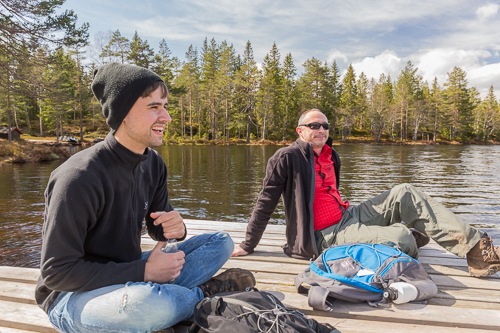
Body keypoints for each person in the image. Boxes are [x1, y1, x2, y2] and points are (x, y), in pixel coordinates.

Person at [36, 63, 255, 333]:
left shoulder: (153, 164)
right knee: (144, 306)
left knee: (221, 242)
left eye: (164, 106)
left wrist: (175, 227)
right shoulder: (77, 177)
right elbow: (56, 274)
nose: (167, 117)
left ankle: (174, 300)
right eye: (154, 107)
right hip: (71, 295)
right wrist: (145, 274)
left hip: (130, 270)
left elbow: (157, 226)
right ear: (123, 113)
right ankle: (203, 296)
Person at [232, 108, 500, 278]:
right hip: (324, 235)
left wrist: (352, 216)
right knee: (402, 236)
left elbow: (330, 194)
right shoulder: (286, 157)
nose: (321, 130)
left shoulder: (330, 154)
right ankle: (400, 236)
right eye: (314, 125)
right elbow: (265, 202)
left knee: (404, 192)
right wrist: (248, 244)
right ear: (300, 130)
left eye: (325, 125)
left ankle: (477, 249)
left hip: (348, 215)